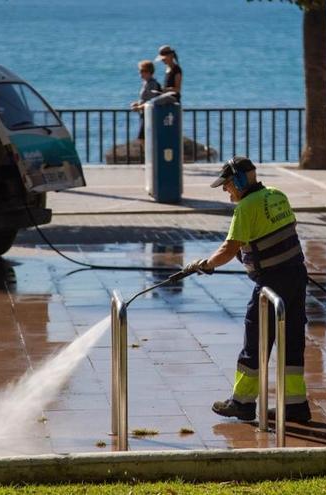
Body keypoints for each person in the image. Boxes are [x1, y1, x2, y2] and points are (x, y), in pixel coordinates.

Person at [183, 156, 311, 423]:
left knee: (255, 342)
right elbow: (274, 234)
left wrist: (205, 265)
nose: (225, 190)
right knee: (292, 341)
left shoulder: (245, 207)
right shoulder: (277, 195)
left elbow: (228, 249)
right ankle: (296, 406)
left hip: (272, 286)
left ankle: (242, 403)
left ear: (239, 181)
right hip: (297, 277)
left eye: (227, 184)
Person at [130, 60, 162, 142]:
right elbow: (146, 98)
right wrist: (137, 103)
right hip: (145, 114)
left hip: (150, 115)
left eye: (142, 71)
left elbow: (151, 101)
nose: (140, 73)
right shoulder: (146, 83)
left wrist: (139, 107)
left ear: (148, 72)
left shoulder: (152, 84)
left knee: (142, 139)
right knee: (143, 138)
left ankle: (146, 154)